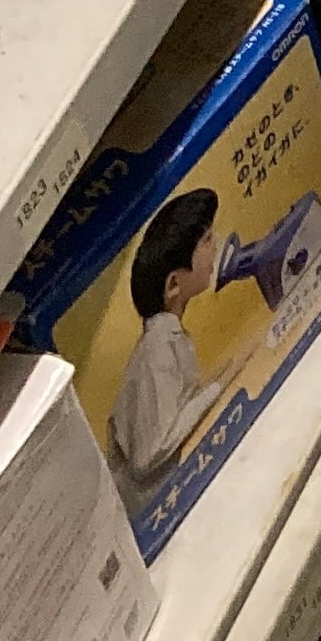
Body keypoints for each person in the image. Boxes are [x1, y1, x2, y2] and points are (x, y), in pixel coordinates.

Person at [110, 190, 232, 487]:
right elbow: (147, 457)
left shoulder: (170, 339)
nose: (215, 246)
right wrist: (217, 388)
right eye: (206, 240)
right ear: (174, 283)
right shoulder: (157, 351)